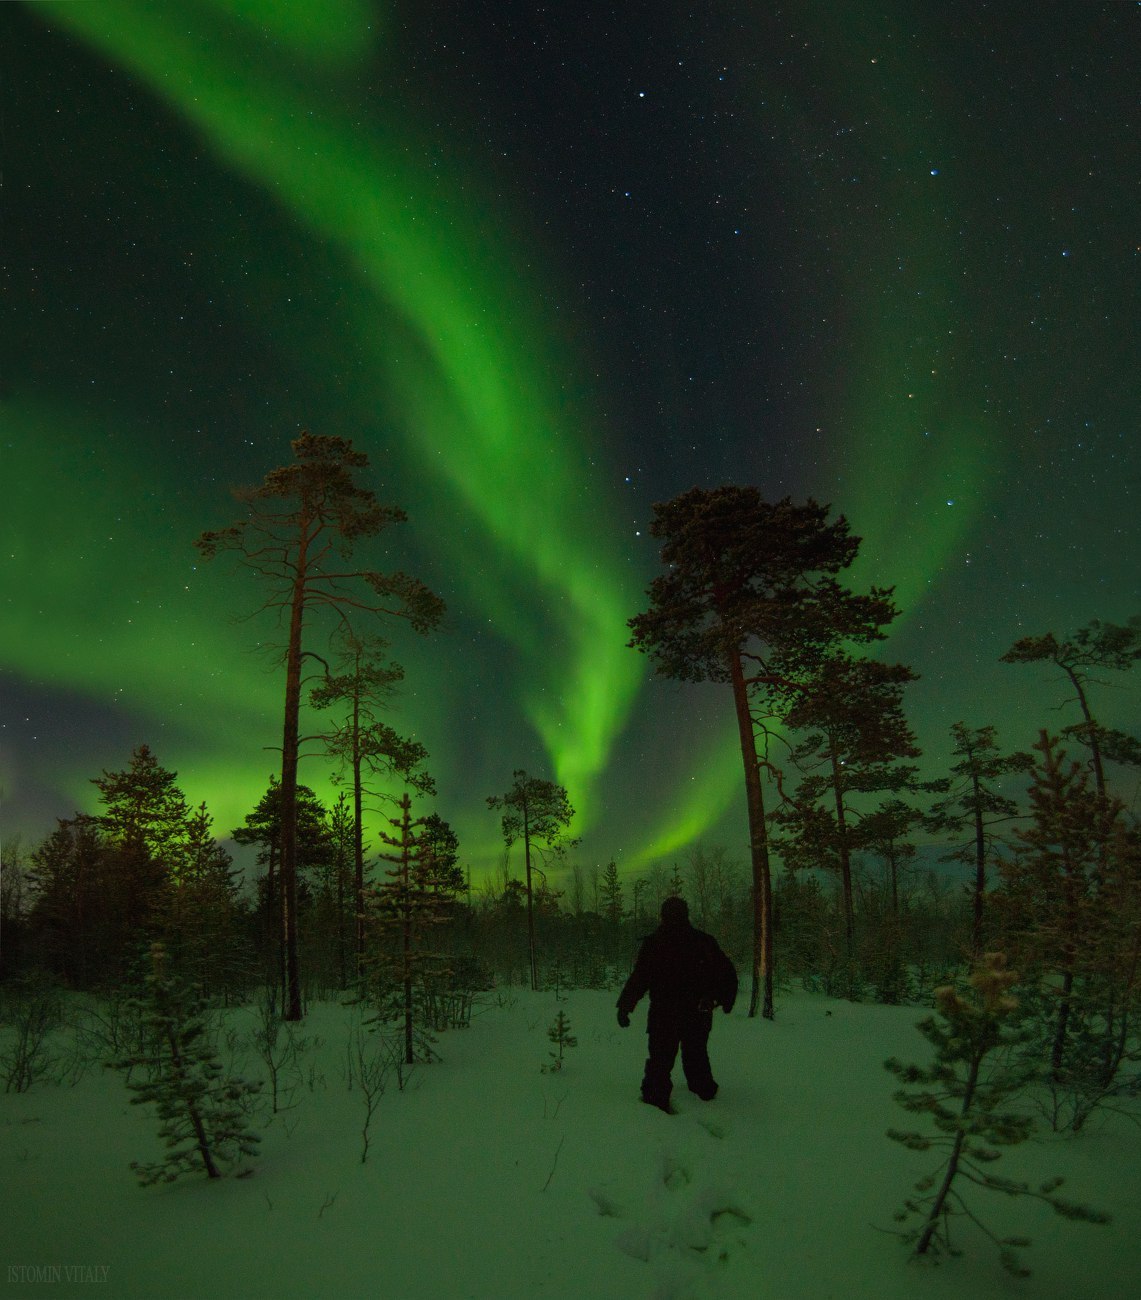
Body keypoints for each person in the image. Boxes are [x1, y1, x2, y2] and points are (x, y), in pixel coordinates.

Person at [616, 896, 738, 1112]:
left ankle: (659, 1100)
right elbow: (727, 973)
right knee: (692, 1054)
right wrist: (725, 1000)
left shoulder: (657, 943)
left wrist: (625, 1006)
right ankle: (700, 1094)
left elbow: (639, 978)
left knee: (665, 1058)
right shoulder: (701, 941)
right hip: (688, 1013)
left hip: (669, 1014)